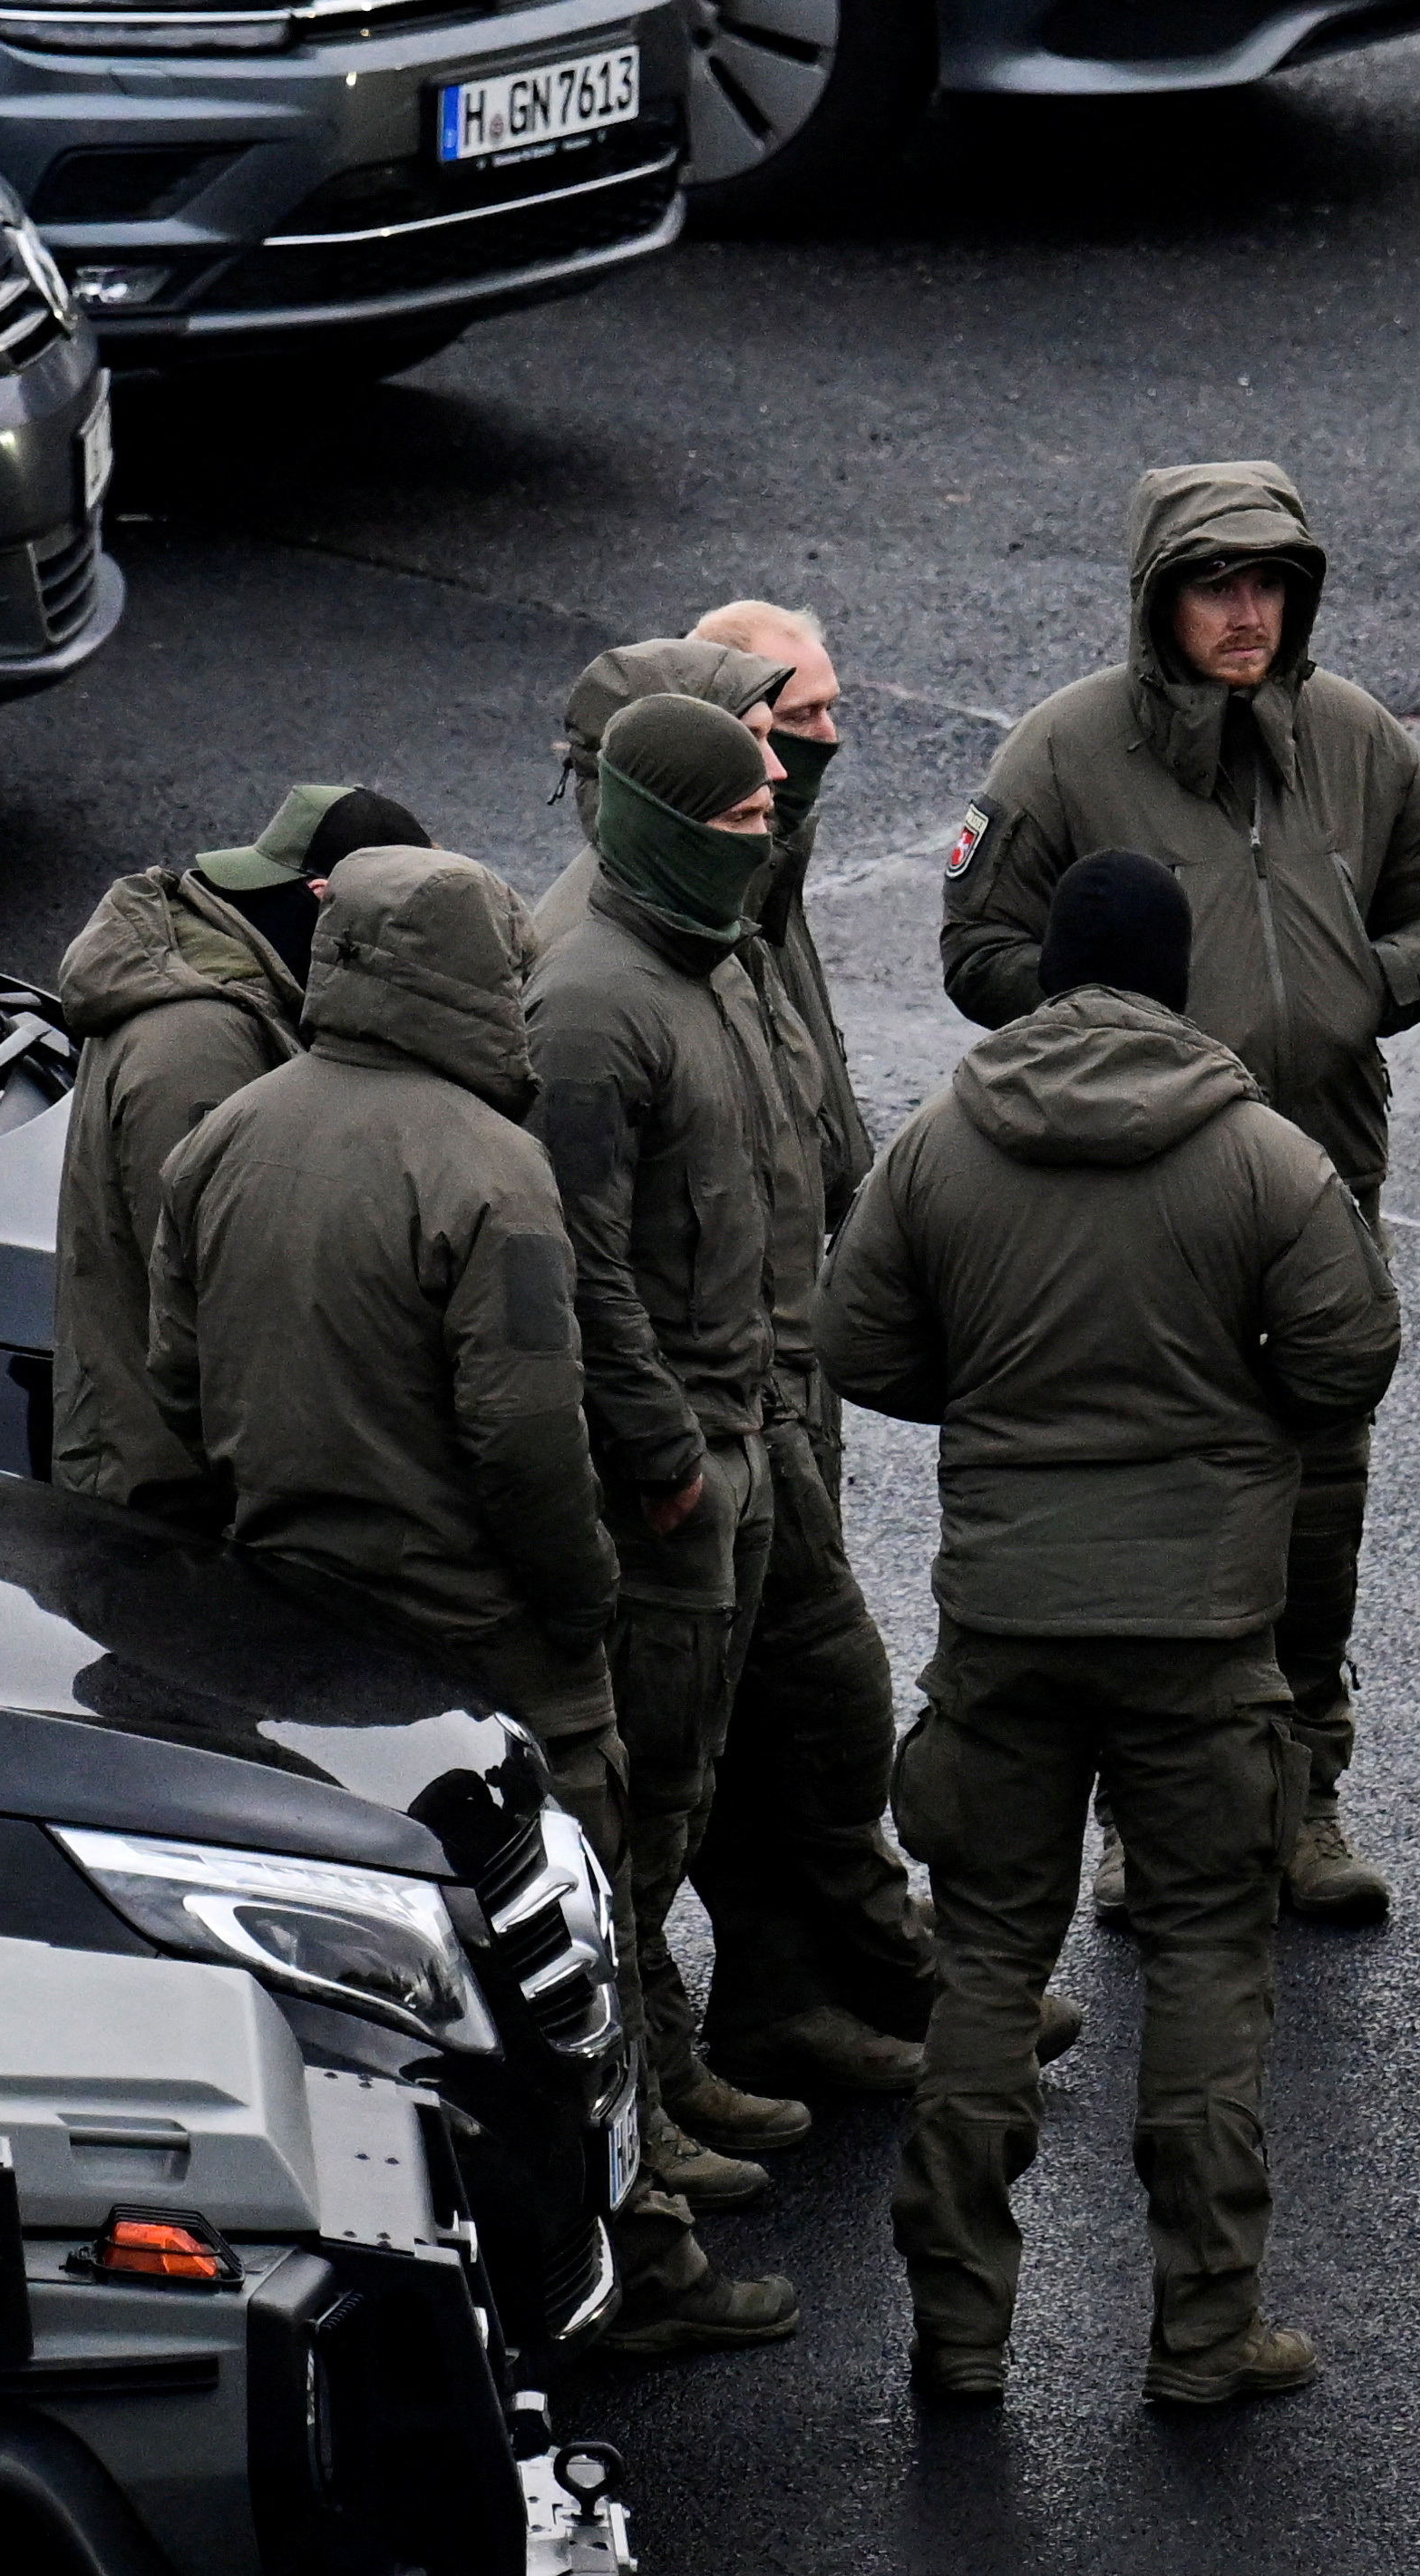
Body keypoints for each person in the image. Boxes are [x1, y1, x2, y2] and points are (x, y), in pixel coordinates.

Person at [142, 844, 792, 2358]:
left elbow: (176, 1381)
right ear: (459, 975)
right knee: (570, 1956)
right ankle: (633, 2259)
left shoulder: (220, 1141)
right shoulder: (491, 1171)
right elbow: (521, 1436)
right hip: (483, 1632)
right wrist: (580, 1609)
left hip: (294, 1621)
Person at [823, 851, 1398, 2411]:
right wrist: (1232, 1423)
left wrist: (1002, 1406)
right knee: (1213, 1954)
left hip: (1006, 1618)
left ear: (1049, 973)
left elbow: (855, 1334)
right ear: (1178, 976)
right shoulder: (1264, 1155)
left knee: (990, 1960)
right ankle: (1207, 2334)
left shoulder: (944, 1141)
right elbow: (1349, 1358)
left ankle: (958, 2333)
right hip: (1205, 1625)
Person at [940, 462, 1420, 1923]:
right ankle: (1145, 1821)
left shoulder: (1354, 737)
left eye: (1270, 587)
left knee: (1317, 1502)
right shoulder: (1060, 753)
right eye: (1213, 585)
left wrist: (1368, 989)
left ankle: (1305, 1801)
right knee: (1161, 1515)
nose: (1246, 616)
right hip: (1138, 1198)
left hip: (1319, 1183)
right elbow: (977, 948)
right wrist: (1111, 1024)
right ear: (1156, 599)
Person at [530, 691, 830, 2222]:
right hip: (673, 1473)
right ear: (660, 828)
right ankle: (635, 2116)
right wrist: (663, 1447)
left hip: (741, 1436)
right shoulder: (590, 1008)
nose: (765, 839)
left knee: (695, 1780)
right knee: (634, 1811)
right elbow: (581, 1272)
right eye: (737, 821)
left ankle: (678, 2054)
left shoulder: (714, 969)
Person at [680, 598, 967, 2109]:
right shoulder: (699, 911)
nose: (828, 747)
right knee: (778, 1692)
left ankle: (827, 1973)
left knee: (809, 1687)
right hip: (741, 1378)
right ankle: (799, 1984)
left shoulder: (760, 894)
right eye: (798, 721)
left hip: (796, 1362)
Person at [48, 781, 424, 1515]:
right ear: (322, 900)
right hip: (175, 1492)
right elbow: (213, 1308)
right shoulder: (198, 1047)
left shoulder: (243, 986)